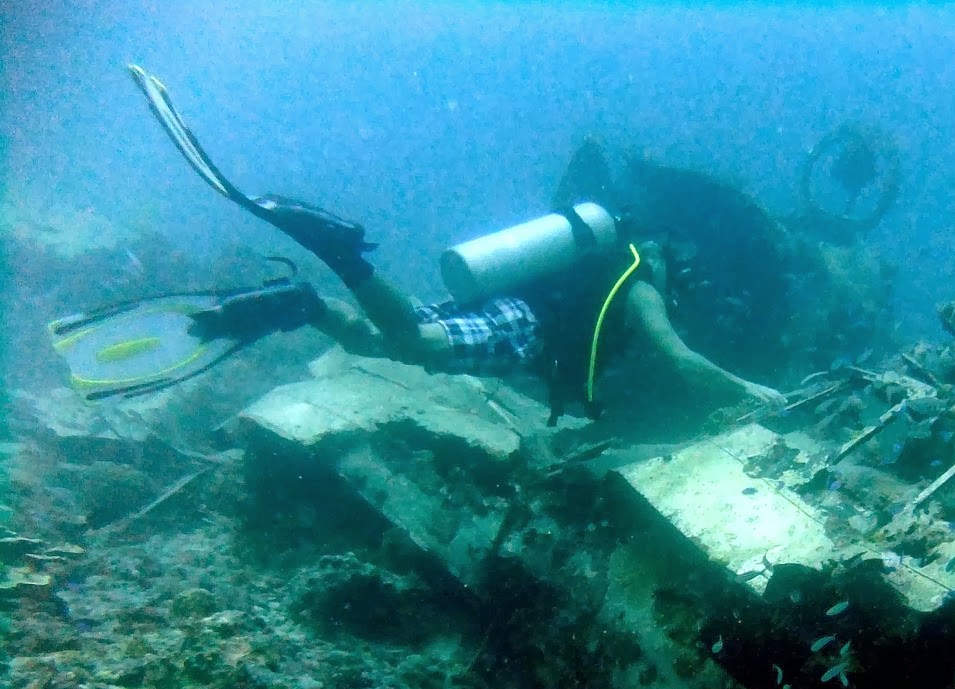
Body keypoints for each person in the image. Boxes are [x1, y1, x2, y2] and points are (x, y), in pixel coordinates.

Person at [124, 65, 784, 425]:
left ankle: (304, 304)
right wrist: (751, 394)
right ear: (664, 253)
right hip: (527, 325)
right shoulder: (640, 280)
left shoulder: (588, 255)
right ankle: (343, 254)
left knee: (388, 340)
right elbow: (679, 357)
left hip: (508, 298)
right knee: (414, 343)